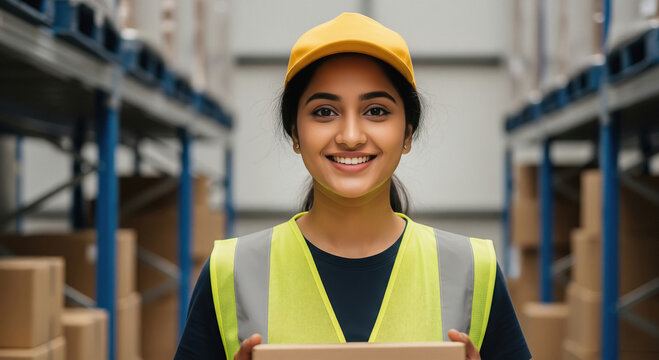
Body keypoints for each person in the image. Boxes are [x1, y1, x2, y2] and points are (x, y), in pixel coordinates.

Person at [175, 13, 531, 360]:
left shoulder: (473, 269)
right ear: (296, 134)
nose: (349, 136)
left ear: (407, 134)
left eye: (376, 111)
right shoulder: (231, 271)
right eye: (324, 112)